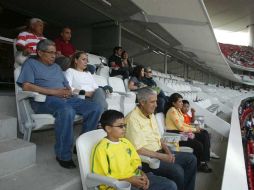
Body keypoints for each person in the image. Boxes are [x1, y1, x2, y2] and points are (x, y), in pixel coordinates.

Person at [17, 39, 102, 169]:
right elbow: (26, 86)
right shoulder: (30, 64)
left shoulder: (56, 67)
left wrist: (67, 91)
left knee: (96, 108)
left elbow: (67, 86)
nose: (54, 56)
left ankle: (81, 144)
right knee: (67, 110)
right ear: (39, 52)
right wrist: (53, 92)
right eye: (50, 53)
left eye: (55, 53)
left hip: (66, 98)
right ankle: (63, 154)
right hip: (44, 100)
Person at [125, 87, 197, 190]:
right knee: (177, 170)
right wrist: (162, 157)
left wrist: (168, 153)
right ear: (142, 102)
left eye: (156, 101)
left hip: (161, 152)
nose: (156, 105)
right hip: (147, 160)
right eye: (152, 102)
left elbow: (160, 139)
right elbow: (138, 149)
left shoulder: (151, 114)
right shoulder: (132, 119)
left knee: (191, 159)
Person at [91, 110, 177, 190]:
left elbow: (136, 165)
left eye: (125, 125)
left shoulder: (125, 142)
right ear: (108, 128)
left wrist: (143, 176)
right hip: (118, 186)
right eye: (121, 126)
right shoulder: (101, 149)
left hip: (136, 177)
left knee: (170, 185)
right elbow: (102, 180)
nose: (124, 128)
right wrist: (129, 180)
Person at [164, 93, 212, 172]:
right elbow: (181, 127)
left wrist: (195, 128)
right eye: (179, 102)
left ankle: (203, 161)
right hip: (175, 135)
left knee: (204, 133)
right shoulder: (172, 111)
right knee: (198, 145)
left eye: (181, 101)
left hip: (182, 133)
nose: (182, 103)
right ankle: (198, 165)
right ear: (173, 103)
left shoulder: (178, 110)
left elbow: (183, 124)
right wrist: (194, 130)